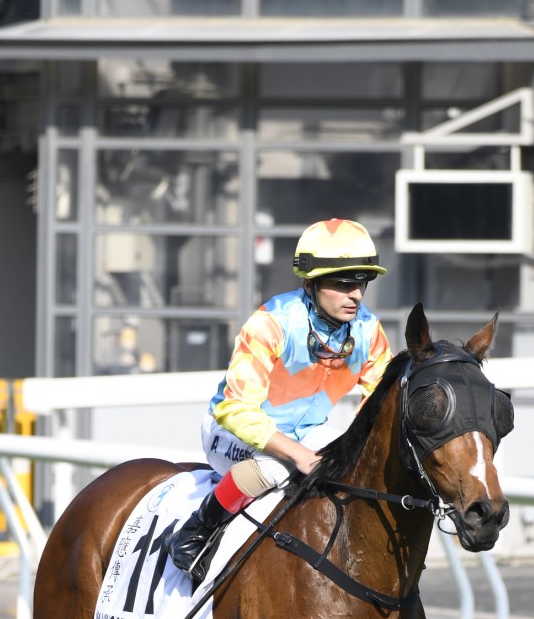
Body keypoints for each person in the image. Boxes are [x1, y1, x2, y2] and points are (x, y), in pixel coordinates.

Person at [167, 218, 394, 584]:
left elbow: (381, 402)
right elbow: (234, 408)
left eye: (362, 282)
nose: (356, 295)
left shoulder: (368, 330)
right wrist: (297, 453)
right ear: (310, 283)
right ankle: (197, 529)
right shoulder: (271, 323)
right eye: (342, 283)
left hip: (306, 432)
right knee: (280, 465)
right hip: (232, 433)